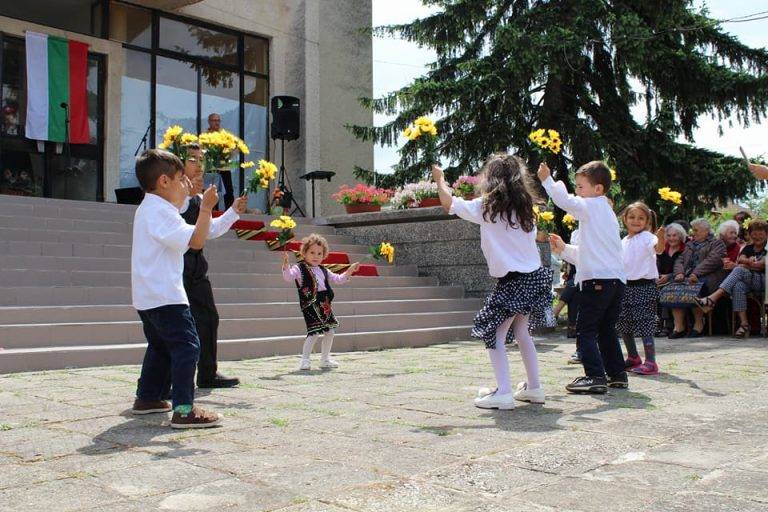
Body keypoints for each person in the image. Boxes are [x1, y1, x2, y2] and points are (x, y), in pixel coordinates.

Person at [434, 155, 552, 409]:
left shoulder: (486, 207)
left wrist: (440, 180)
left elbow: (448, 203)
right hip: (535, 277)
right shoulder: (526, 210)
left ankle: (504, 392)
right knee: (522, 332)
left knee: (494, 333)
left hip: (513, 280)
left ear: (490, 179)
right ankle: (534, 388)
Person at [130, 149, 222, 428]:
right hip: (166, 295)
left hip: (148, 295)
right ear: (164, 181)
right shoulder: (161, 212)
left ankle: (148, 397)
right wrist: (205, 208)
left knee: (159, 346)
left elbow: (185, 224)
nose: (187, 185)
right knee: (188, 347)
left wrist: (192, 200)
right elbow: (196, 241)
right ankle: (184, 409)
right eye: (182, 179)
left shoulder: (151, 208)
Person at [541, 160, 628, 394]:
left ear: (598, 189)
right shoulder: (605, 214)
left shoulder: (592, 205)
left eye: (580, 187)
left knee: (586, 329)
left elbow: (565, 202)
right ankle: (617, 374)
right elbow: (590, 254)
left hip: (597, 281)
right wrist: (564, 249)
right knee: (606, 329)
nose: (577, 192)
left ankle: (595, 376)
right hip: (615, 281)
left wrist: (547, 180)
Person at [179, 143, 247, 388]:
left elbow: (209, 230)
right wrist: (190, 196)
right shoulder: (172, 197)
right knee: (176, 324)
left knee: (208, 317)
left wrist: (233, 211)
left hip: (196, 264)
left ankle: (207, 373)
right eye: (192, 159)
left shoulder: (200, 198)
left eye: (201, 159)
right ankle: (165, 381)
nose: (198, 165)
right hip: (175, 265)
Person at [282, 234, 360, 371]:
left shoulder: (324, 270)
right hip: (310, 304)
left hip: (324, 303)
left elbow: (338, 279)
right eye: (312, 252)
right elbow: (288, 277)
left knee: (330, 331)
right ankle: (305, 360)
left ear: (324, 255)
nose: (316, 256)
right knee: (314, 332)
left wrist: (349, 271)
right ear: (304, 253)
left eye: (319, 253)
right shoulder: (299, 268)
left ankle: (325, 359)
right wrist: (286, 265)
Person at [616, 202, 666, 375]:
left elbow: (659, 249)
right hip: (625, 287)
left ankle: (651, 362)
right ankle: (633, 357)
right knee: (624, 323)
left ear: (647, 221)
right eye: (632, 217)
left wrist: (661, 238)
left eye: (641, 218)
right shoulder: (623, 240)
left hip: (644, 286)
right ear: (625, 219)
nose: (636, 221)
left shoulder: (647, 237)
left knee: (645, 323)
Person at [696, 219, 768, 337]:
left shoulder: (767, 247)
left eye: (761, 234)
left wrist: (745, 265)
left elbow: (761, 265)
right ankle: (744, 324)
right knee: (738, 286)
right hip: (751, 280)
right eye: (754, 234)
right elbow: (741, 259)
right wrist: (747, 262)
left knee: (739, 270)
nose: (757, 237)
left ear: (766, 234)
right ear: (750, 234)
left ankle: (712, 299)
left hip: (765, 281)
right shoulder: (749, 248)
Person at [669, 218, 725, 338]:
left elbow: (712, 261)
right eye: (692, 230)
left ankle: (698, 325)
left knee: (695, 287)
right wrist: (679, 273)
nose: (692, 233)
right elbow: (680, 260)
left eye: (696, 230)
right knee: (674, 287)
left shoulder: (717, 243)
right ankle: (679, 327)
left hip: (709, 277)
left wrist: (695, 273)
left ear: (706, 231)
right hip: (688, 277)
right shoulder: (690, 245)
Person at [656, 223, 687, 336]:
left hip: (678, 279)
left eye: (674, 235)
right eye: (668, 235)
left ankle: (667, 325)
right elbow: (656, 265)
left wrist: (669, 276)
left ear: (681, 236)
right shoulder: (663, 248)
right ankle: (656, 323)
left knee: (666, 290)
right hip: (661, 279)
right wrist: (658, 276)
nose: (671, 238)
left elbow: (686, 269)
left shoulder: (686, 249)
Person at [206, 112, 234, 209]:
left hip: (224, 167)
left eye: (218, 120)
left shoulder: (225, 135)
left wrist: (228, 153)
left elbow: (232, 149)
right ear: (209, 122)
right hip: (212, 168)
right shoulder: (205, 136)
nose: (217, 123)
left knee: (228, 191)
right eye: (214, 120)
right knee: (213, 191)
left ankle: (230, 212)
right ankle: (213, 212)